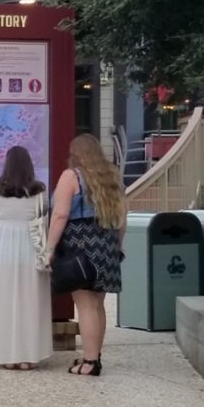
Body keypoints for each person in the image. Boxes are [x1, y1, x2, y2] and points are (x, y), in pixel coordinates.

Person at [47, 134, 127, 377]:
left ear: (76, 154)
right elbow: (122, 218)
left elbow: (60, 215)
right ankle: (94, 355)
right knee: (97, 306)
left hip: (80, 245)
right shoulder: (112, 179)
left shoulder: (71, 176)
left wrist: (49, 248)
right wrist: (117, 246)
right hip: (107, 243)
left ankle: (90, 362)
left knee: (85, 305)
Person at [0, 146, 52, 370]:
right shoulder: (39, 190)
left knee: (4, 300)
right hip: (30, 244)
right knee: (30, 300)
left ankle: (7, 354)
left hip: (4, 244)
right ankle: (29, 355)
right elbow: (43, 215)